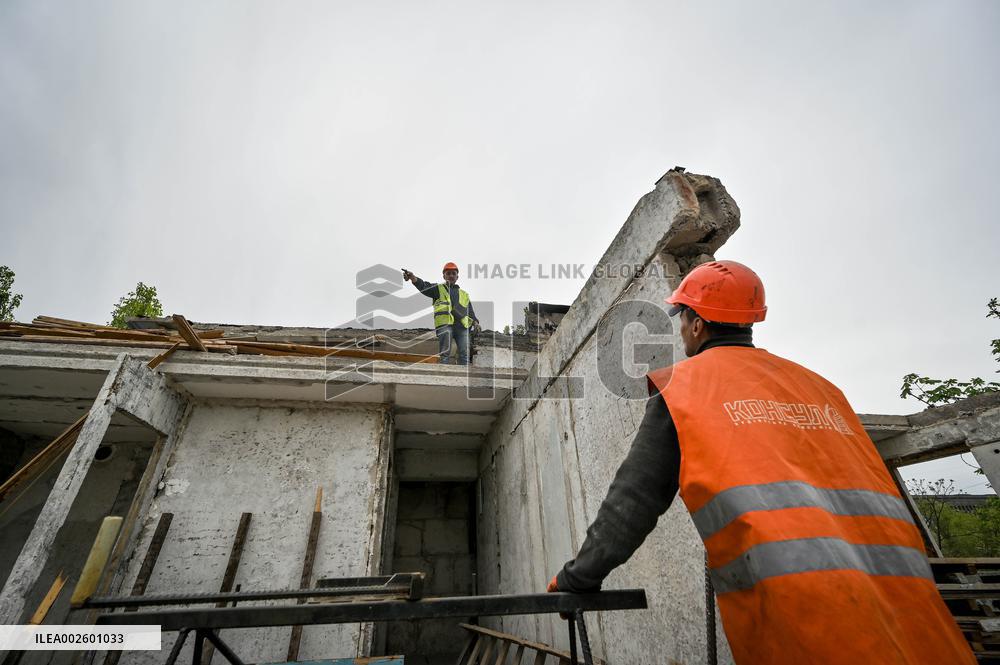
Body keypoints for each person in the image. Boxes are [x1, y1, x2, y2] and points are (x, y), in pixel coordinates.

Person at [548, 260, 973, 664]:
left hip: (804, 618)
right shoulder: (823, 389)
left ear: (696, 324)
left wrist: (576, 579)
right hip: (916, 615)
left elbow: (632, 504)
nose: (681, 331)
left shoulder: (685, 387)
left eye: (681, 319)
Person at [403, 262, 479, 365]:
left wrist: (475, 321)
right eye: (448, 273)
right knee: (445, 352)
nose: (451, 275)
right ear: (444, 276)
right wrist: (413, 278)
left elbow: (470, 311)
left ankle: (463, 375)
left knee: (464, 353)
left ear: (457, 277)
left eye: (453, 273)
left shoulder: (464, 294)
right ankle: (444, 373)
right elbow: (424, 286)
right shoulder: (438, 289)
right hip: (445, 325)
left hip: (462, 327)